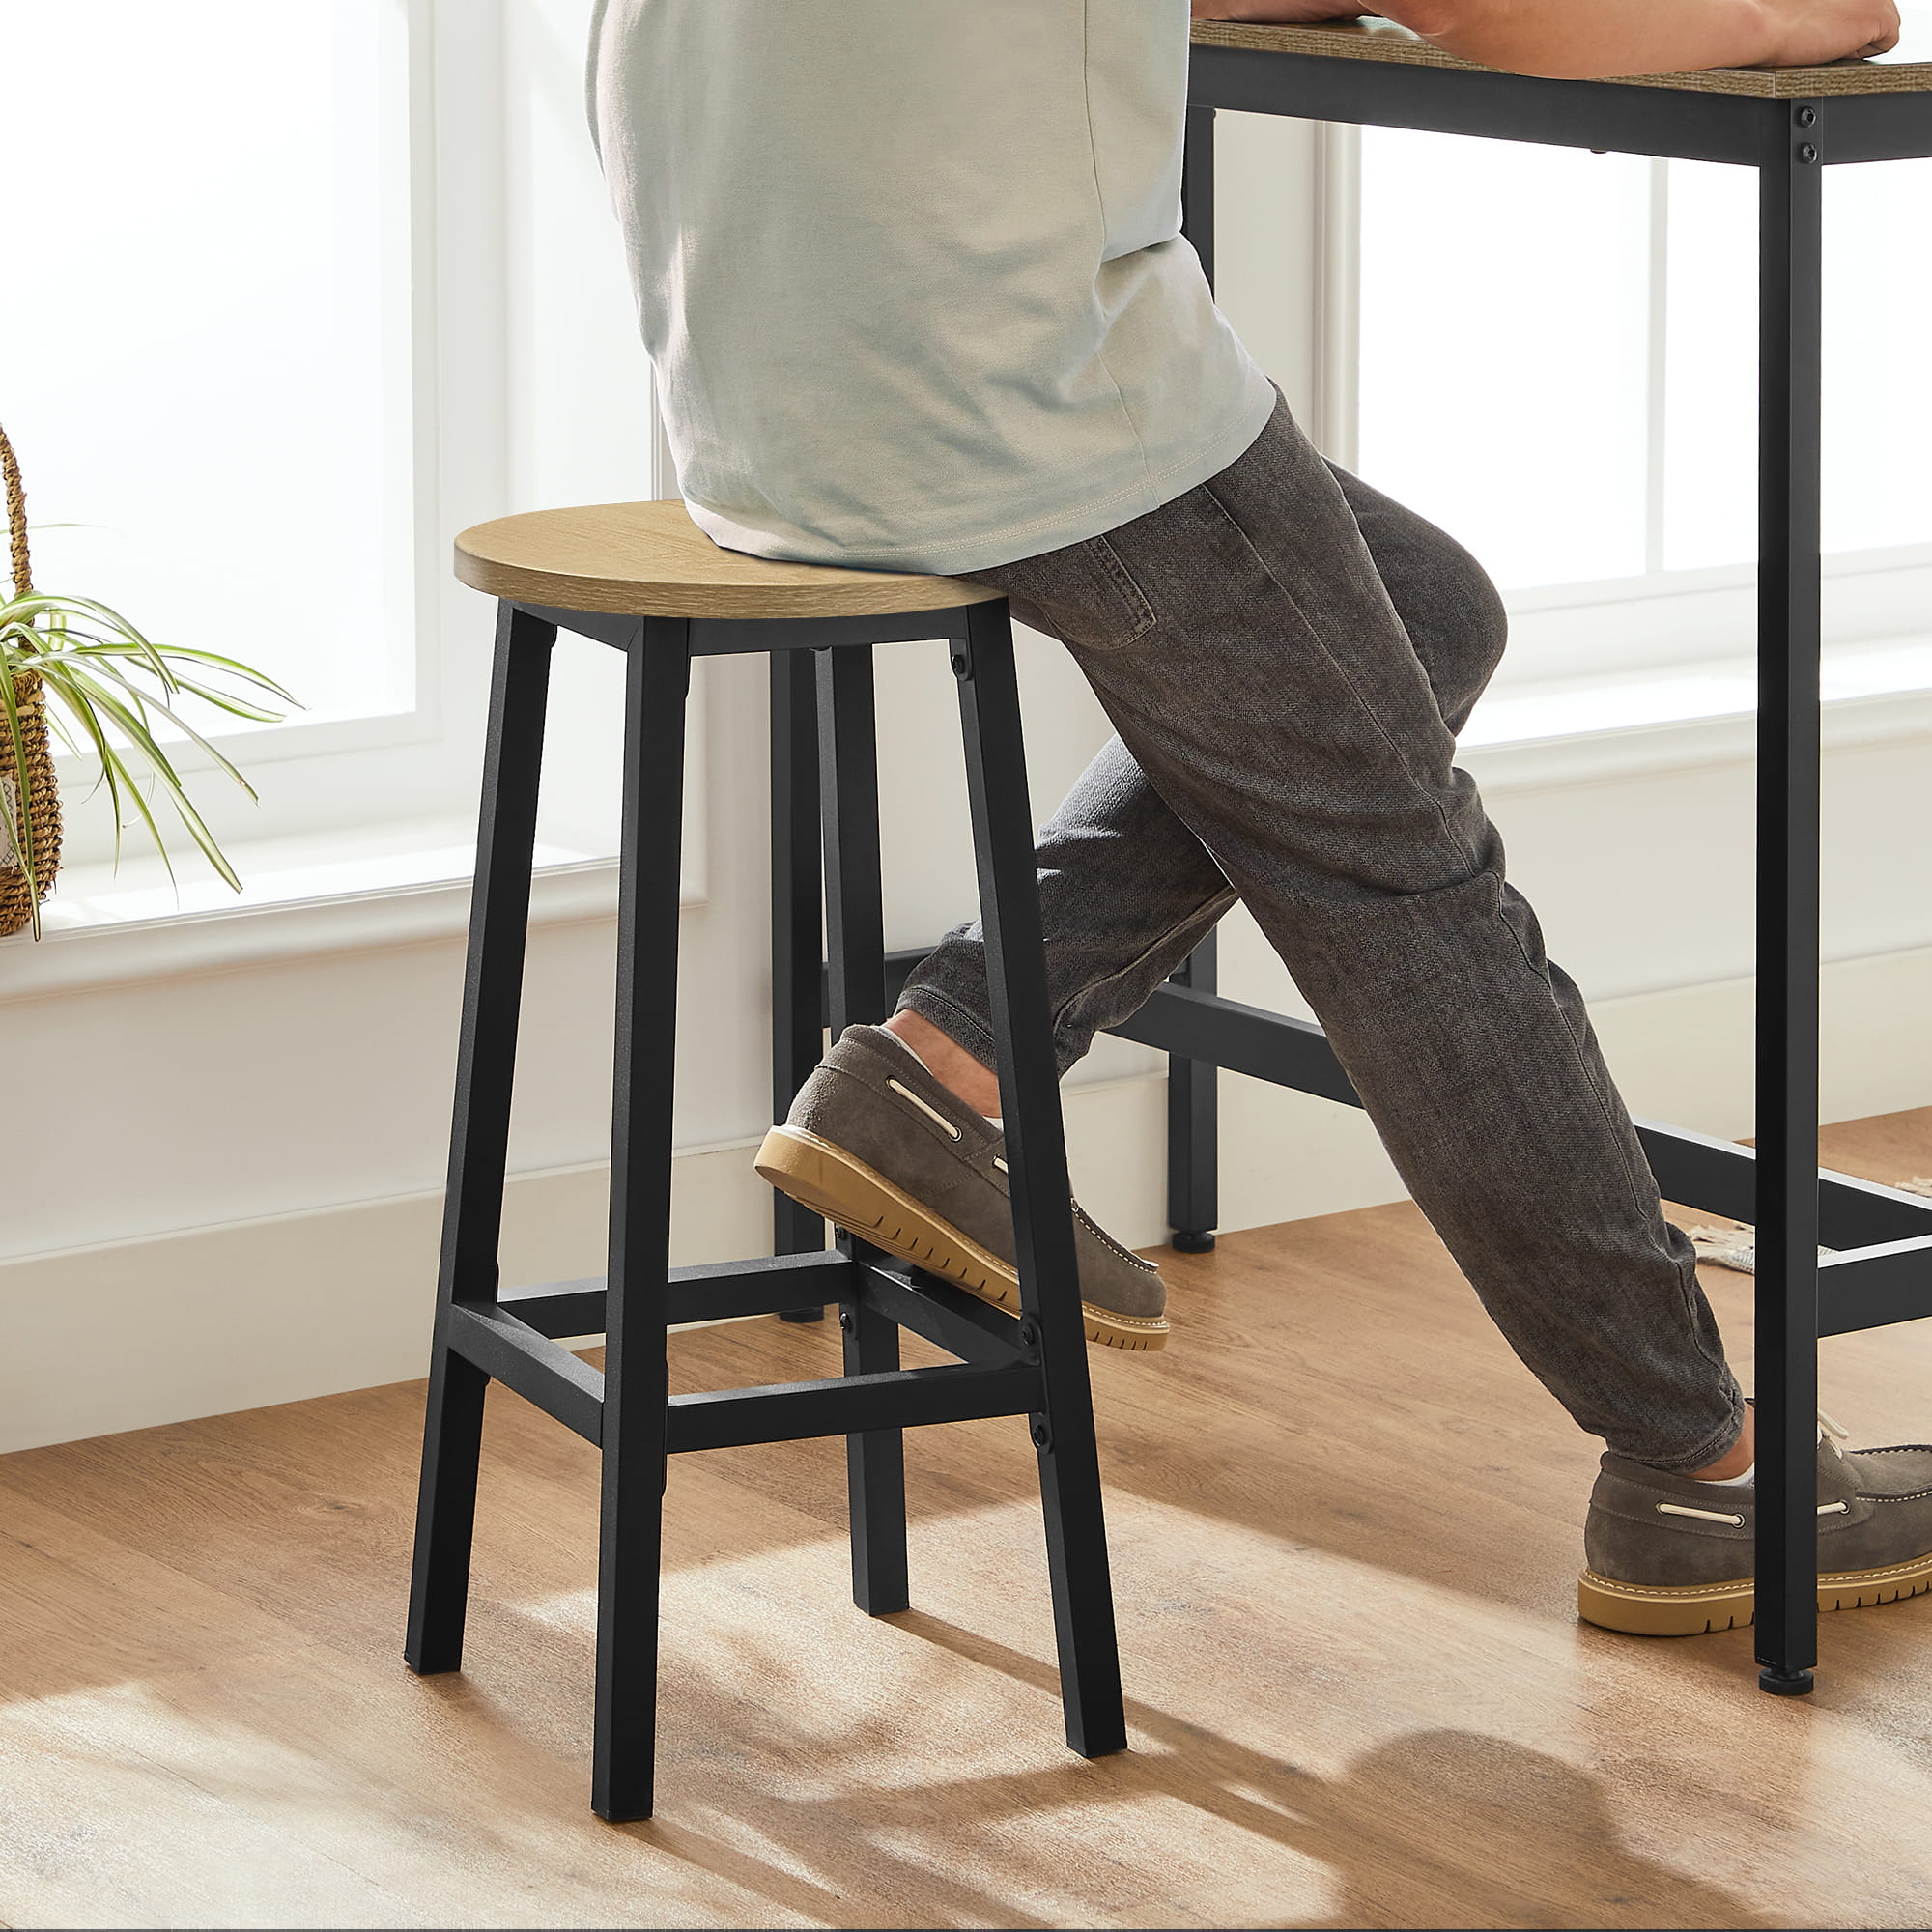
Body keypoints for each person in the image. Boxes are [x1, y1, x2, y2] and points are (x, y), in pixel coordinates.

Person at [585, 0, 1932, 1635]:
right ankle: (1707, 1468)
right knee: (1407, 892)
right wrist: (1800, 15)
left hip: (766, 390)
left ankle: (940, 1067)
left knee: (1419, 614)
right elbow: (1508, 13)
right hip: (1012, 393)